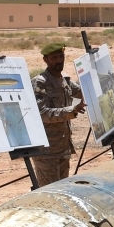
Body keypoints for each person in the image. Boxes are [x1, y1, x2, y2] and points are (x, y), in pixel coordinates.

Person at [33, 43, 86, 187]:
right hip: (47, 153)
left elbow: (85, 91)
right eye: (54, 57)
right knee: (48, 193)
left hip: (63, 149)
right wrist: (72, 110)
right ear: (46, 60)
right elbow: (42, 113)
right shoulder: (40, 83)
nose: (59, 60)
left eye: (61, 56)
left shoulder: (64, 80)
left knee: (62, 190)